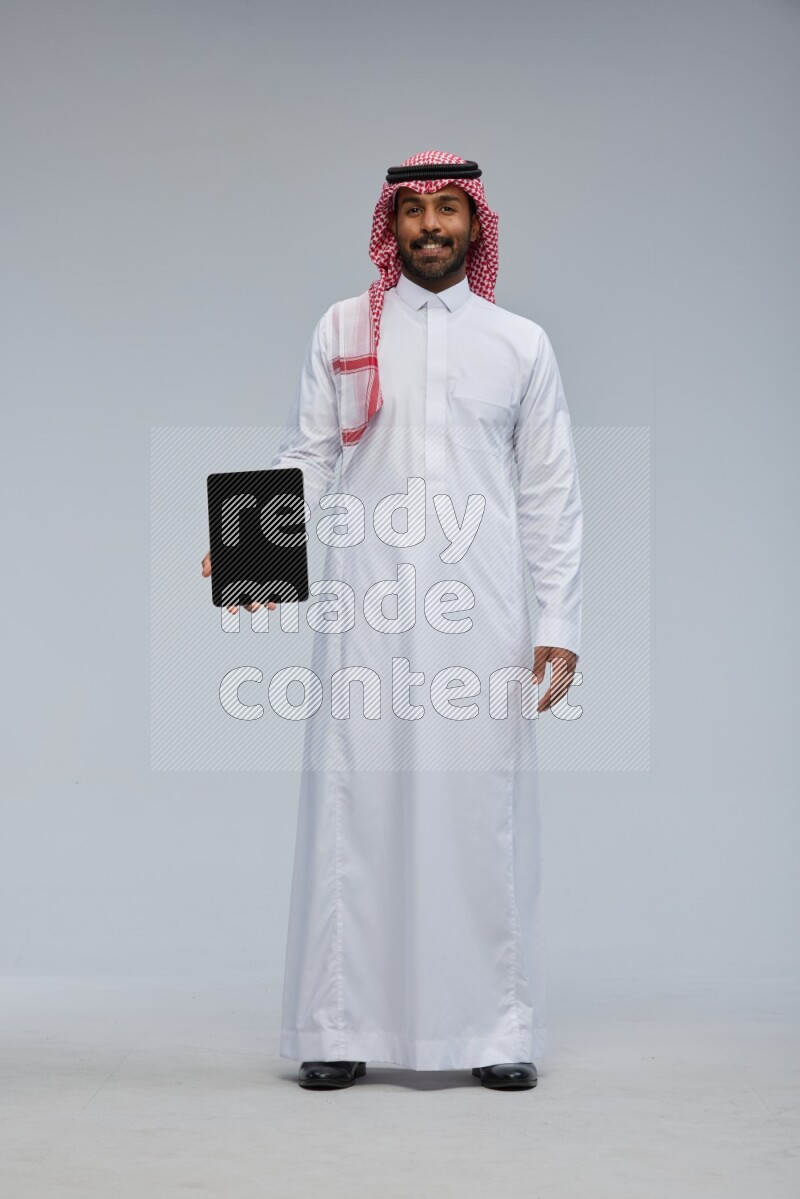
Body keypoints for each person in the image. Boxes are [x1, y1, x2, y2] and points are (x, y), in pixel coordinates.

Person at [202, 150, 583, 1091]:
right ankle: (337, 1026)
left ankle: (494, 1031)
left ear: (475, 224)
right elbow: (308, 458)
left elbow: (552, 495)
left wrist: (559, 621)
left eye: (448, 210)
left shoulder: (521, 344)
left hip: (482, 613)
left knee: (477, 812)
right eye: (414, 213)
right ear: (392, 225)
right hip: (366, 603)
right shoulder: (342, 327)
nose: (430, 228)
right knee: (354, 807)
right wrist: (250, 552)